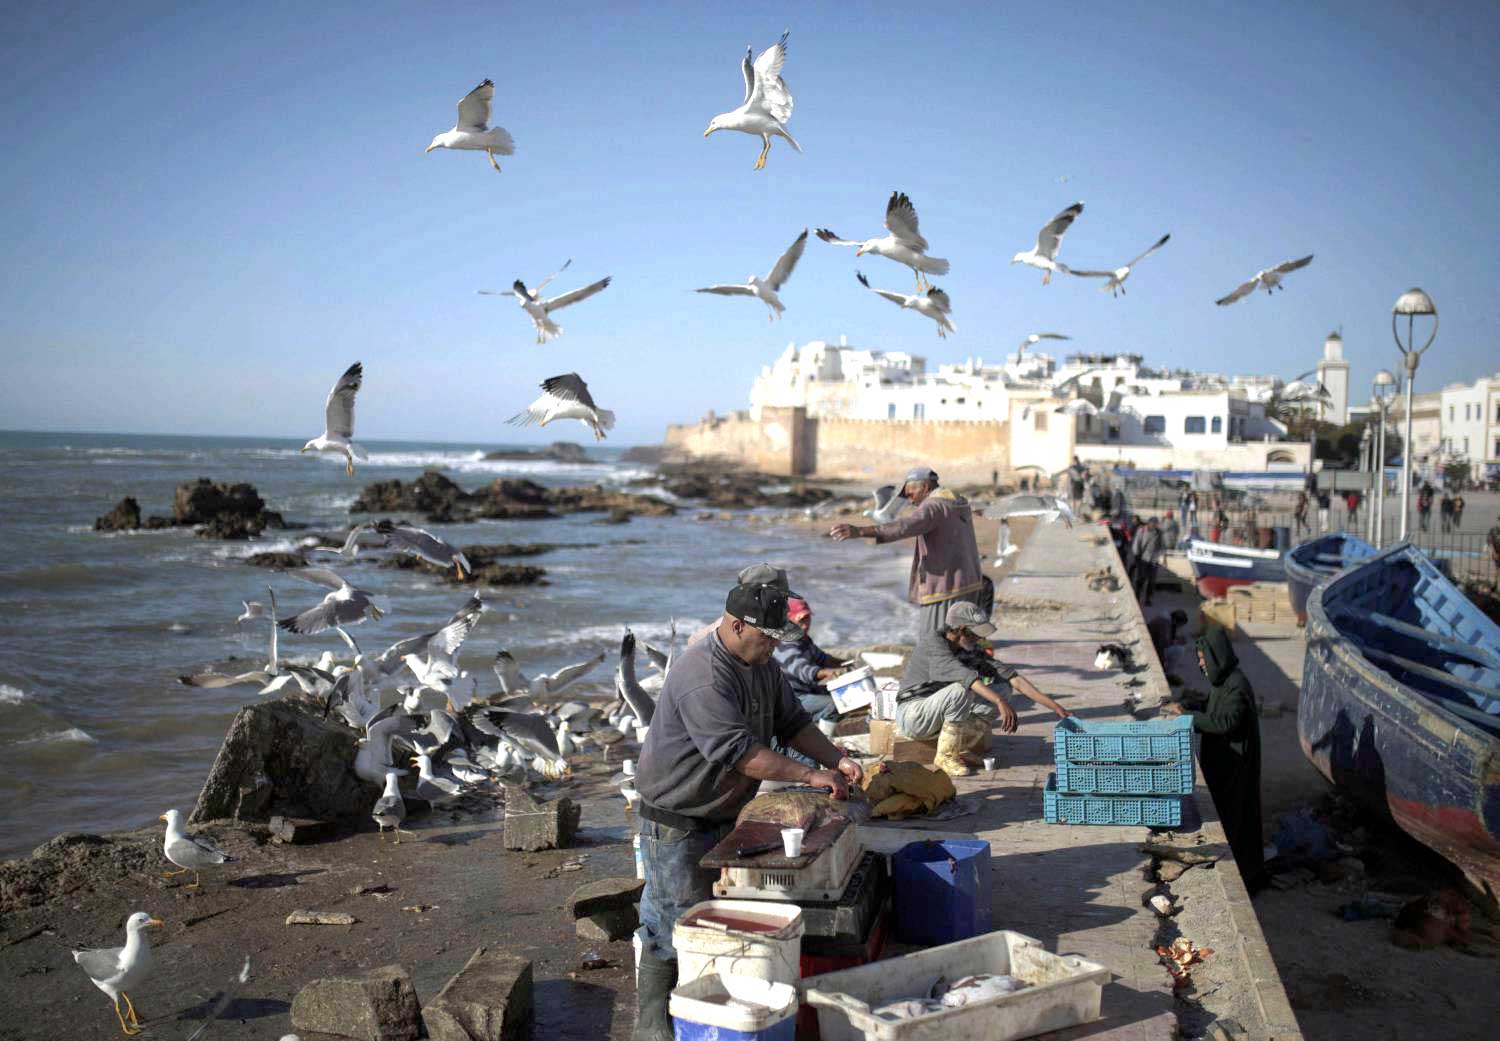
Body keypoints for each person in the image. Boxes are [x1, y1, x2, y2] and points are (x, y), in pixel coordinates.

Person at [632, 577, 863, 1040]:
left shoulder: (762, 663)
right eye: (769, 637)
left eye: (779, 639)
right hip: (677, 819)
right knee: (670, 927)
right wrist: (811, 775)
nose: (774, 647)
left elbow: (793, 722)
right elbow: (742, 753)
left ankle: (708, 1010)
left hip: (722, 811)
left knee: (709, 918)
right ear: (737, 626)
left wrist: (835, 758)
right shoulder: (703, 676)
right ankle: (651, 1030)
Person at [896, 601, 1070, 776]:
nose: (980, 639)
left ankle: (959, 748)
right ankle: (945, 756)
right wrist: (999, 702)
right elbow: (967, 679)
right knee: (961, 690)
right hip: (913, 714)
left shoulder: (968, 648)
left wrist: (1056, 707)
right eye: (975, 634)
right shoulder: (934, 644)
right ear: (961, 630)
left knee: (1003, 688)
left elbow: (1014, 679)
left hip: (937, 714)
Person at [1162, 626, 1263, 888]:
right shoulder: (1224, 683)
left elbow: (1225, 721)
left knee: (1235, 816)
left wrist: (1188, 718)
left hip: (1236, 765)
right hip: (1223, 761)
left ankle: (1246, 875)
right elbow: (1212, 706)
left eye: (1204, 659)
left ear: (1217, 657)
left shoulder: (1237, 686)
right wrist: (1191, 707)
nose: (1200, 664)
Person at [829, 466, 983, 634]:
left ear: (924, 487)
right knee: (963, 639)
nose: (910, 500)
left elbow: (906, 526)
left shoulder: (933, 506)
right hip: (970, 582)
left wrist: (860, 531)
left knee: (935, 642)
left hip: (946, 586)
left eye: (911, 494)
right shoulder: (959, 501)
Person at [770, 596, 845, 750]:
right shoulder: (784, 644)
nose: (805, 625)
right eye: (801, 620)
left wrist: (845, 663)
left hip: (808, 690)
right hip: (793, 698)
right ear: (789, 620)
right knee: (836, 703)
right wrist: (827, 673)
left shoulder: (804, 640)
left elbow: (823, 658)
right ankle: (824, 745)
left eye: (807, 619)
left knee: (844, 696)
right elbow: (805, 671)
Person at [1131, 516, 1164, 605]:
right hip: (1143, 558)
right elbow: (1136, 543)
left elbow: (1161, 545)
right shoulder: (1142, 530)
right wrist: (1136, 555)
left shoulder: (1159, 533)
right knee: (1141, 578)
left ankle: (1148, 599)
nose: (1154, 526)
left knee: (1151, 581)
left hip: (1153, 559)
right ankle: (1137, 597)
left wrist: (1160, 556)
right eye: (1153, 524)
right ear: (1149, 523)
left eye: (1156, 524)